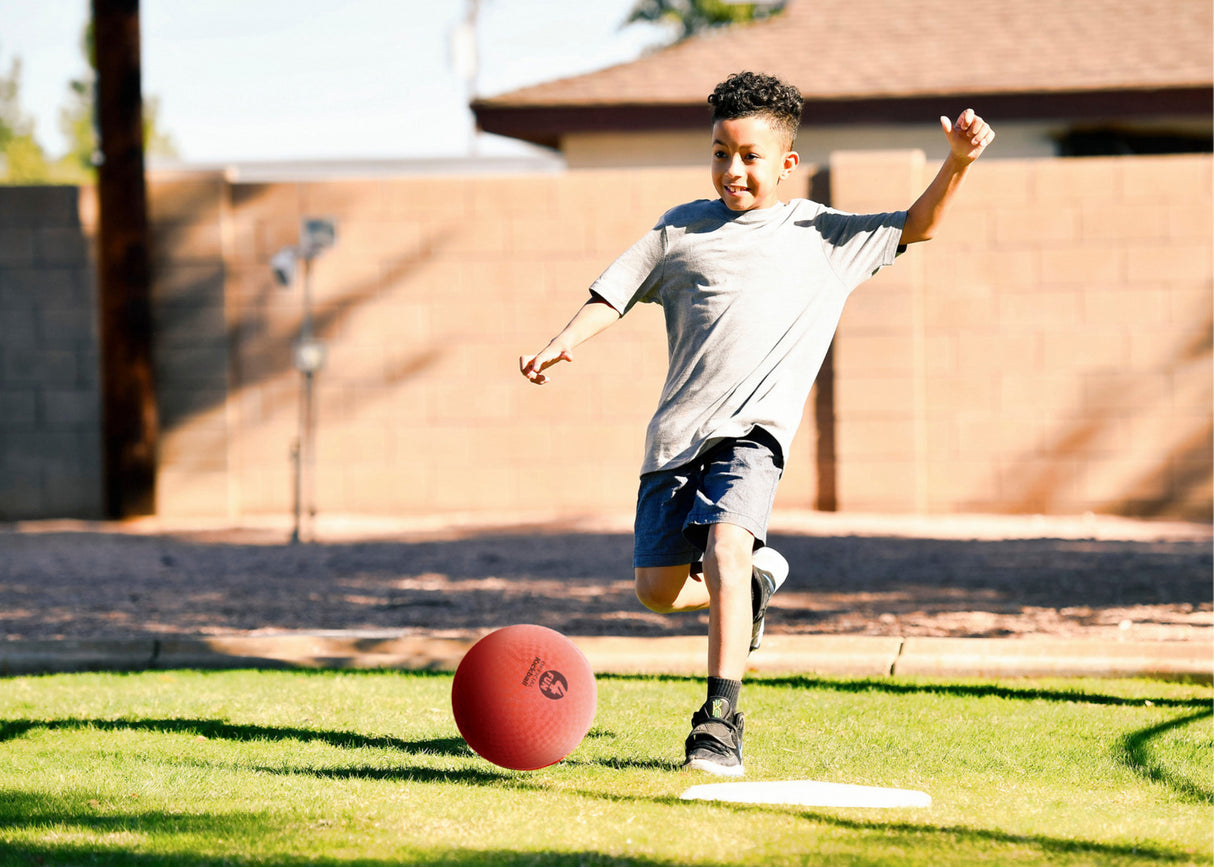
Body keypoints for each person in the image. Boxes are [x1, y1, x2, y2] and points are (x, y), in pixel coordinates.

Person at [519, 71, 995, 776]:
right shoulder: (678, 230)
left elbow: (918, 225)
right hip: (674, 439)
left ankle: (719, 719)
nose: (732, 169)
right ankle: (756, 586)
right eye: (720, 152)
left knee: (726, 547)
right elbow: (611, 294)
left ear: (786, 164)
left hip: (754, 435)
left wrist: (957, 162)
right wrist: (563, 339)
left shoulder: (822, 235)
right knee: (655, 591)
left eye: (749, 155)